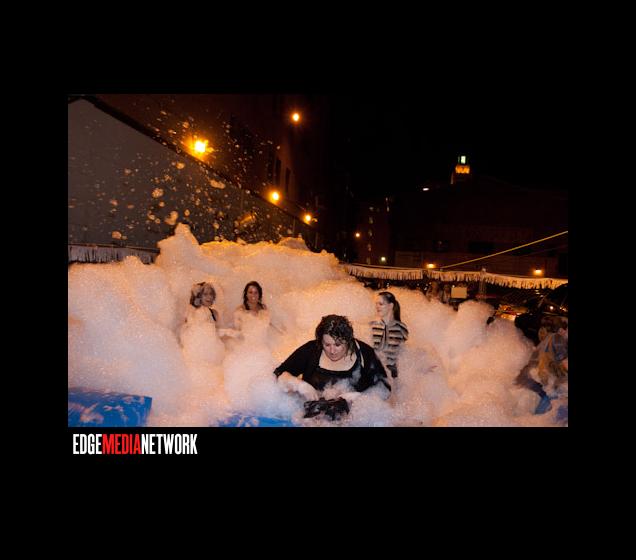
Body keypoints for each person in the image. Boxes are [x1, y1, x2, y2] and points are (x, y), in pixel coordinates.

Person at [274, 314, 390, 420]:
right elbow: (279, 373)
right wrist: (299, 385)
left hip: (353, 420)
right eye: (327, 345)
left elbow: (385, 388)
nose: (332, 351)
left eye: (338, 345)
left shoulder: (365, 353)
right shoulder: (311, 350)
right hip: (312, 419)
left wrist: (359, 398)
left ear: (348, 341)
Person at [515, 316, 568, 416]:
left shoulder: (547, 339)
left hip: (526, 382)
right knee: (553, 407)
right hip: (536, 383)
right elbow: (564, 363)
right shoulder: (557, 339)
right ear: (562, 330)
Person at [370, 291, 409, 381]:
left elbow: (405, 351)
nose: (377, 306)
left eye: (381, 304)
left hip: (392, 374)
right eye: (376, 304)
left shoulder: (401, 328)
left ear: (390, 306)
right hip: (374, 372)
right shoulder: (372, 326)